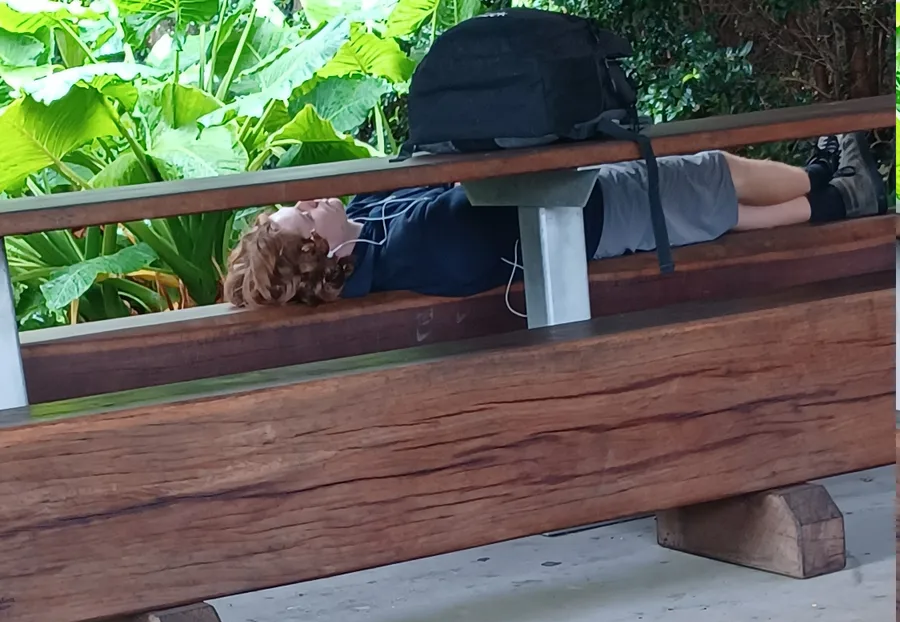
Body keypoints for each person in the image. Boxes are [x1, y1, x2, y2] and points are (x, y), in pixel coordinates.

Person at [223, 132, 886, 310]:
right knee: (712, 177)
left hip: (584, 224)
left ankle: (832, 190)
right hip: (587, 212)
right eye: (303, 214)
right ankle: (831, 184)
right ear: (321, 247)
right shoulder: (415, 243)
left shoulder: (370, 238)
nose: (309, 201)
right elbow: (467, 192)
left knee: (709, 213)